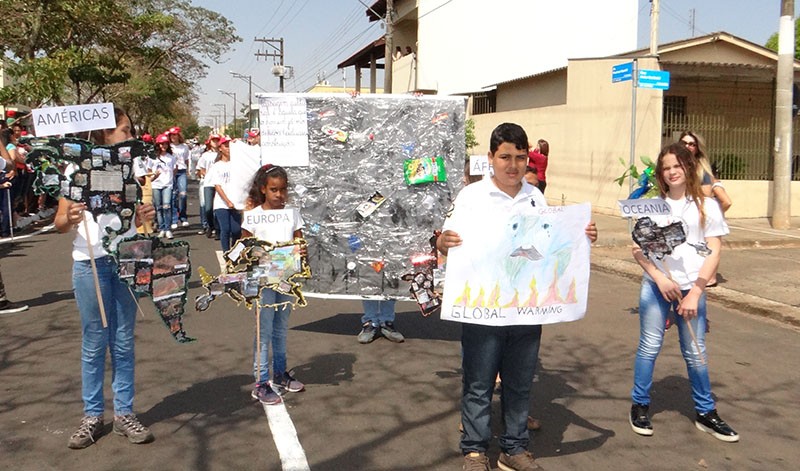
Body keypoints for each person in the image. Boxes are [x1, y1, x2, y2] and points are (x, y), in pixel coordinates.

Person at [437, 123, 597, 471]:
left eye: (520, 158)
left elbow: (549, 243)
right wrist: (443, 242)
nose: (513, 165)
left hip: (526, 309)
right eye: (505, 157)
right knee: (479, 382)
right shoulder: (471, 196)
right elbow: (445, 240)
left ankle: (514, 448)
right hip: (483, 309)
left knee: (520, 382)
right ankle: (475, 451)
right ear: (491, 158)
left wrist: (581, 234)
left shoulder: (535, 197)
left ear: (528, 159)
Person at [56, 107, 157, 449]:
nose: (131, 136)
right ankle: (92, 416)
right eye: (125, 130)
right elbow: (60, 223)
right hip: (90, 264)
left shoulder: (131, 169)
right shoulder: (75, 169)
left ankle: (124, 413)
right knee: (95, 341)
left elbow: (137, 221)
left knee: (124, 340)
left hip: (126, 258)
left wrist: (143, 216)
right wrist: (71, 216)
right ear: (103, 134)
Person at [628, 142, 738, 443]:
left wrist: (696, 292)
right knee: (649, 346)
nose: (672, 172)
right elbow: (638, 248)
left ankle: (706, 412)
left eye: (677, 165)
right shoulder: (652, 205)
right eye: (666, 168)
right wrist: (659, 278)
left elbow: (714, 251)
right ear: (660, 174)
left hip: (693, 288)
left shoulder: (707, 206)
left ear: (688, 167)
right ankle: (639, 405)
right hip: (657, 286)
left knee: (695, 351)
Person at [240, 164, 307, 405]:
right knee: (264, 330)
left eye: (283, 189)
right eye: (274, 190)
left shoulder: (292, 214)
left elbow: (300, 242)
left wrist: (301, 251)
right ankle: (260, 382)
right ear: (263, 189)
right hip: (262, 281)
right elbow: (243, 248)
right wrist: (259, 254)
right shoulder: (253, 216)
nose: (279, 195)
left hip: (286, 278)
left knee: (281, 327)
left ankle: (280, 373)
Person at [678, 131, 731, 288]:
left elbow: (707, 193)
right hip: (686, 211)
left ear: (697, 148)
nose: (687, 146)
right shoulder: (675, 164)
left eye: (692, 144)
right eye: (684, 143)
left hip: (702, 210)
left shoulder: (700, 167)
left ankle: (710, 278)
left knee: (709, 246)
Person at [205, 135, 242, 251]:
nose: (229, 149)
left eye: (230, 146)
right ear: (220, 148)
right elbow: (217, 186)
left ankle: (234, 252)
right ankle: (226, 253)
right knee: (225, 229)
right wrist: (227, 201)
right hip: (222, 204)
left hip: (236, 202)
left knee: (236, 230)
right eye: (226, 146)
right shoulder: (216, 166)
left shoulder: (238, 164)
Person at [149, 134, 176, 239]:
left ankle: (168, 229)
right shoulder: (152, 157)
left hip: (167, 185)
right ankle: (162, 228)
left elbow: (174, 169)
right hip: (156, 184)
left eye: (165, 144)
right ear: (158, 145)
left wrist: (170, 180)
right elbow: (149, 171)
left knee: (167, 206)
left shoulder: (171, 157)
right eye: (161, 144)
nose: (163, 146)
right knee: (158, 207)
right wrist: (154, 176)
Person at [195, 135, 220, 236]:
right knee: (207, 207)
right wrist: (207, 175)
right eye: (214, 140)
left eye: (217, 140)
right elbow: (201, 169)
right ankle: (208, 225)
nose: (215, 142)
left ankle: (218, 229)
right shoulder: (205, 155)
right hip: (208, 183)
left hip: (220, 184)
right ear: (210, 142)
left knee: (218, 207)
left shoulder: (223, 154)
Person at [168, 127, 190, 228]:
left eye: (175, 135)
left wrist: (187, 169)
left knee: (183, 194)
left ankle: (183, 216)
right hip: (171, 172)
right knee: (173, 195)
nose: (173, 137)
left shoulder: (184, 146)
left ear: (178, 135)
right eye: (171, 135)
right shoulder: (168, 146)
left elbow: (186, 159)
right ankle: (174, 219)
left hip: (181, 171)